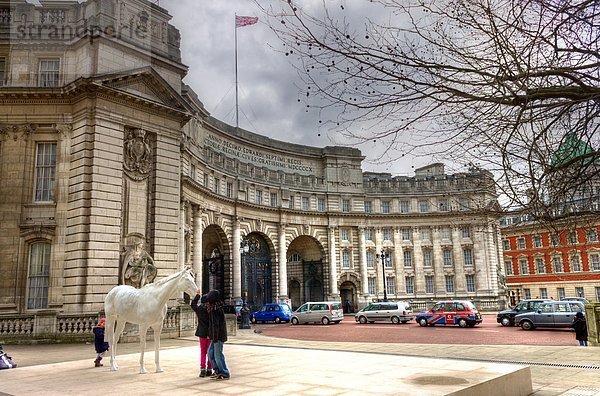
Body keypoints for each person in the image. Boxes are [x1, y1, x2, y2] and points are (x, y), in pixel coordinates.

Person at [206, 289, 230, 380]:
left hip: (218, 336)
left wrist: (215, 338)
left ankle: (224, 372)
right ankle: (217, 370)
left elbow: (216, 325)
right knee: (210, 353)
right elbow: (212, 324)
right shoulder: (212, 308)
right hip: (214, 336)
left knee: (218, 355)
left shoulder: (216, 309)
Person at [191, 291, 213, 377]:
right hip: (210, 333)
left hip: (202, 333)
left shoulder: (199, 309)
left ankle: (202, 370)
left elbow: (193, 304)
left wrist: (197, 295)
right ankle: (209, 369)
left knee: (203, 352)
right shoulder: (211, 309)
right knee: (210, 352)